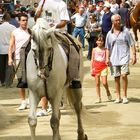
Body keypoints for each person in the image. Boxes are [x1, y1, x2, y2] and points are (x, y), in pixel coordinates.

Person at [34, 0, 70, 117]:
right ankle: (25, 78)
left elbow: (64, 22)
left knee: (73, 48)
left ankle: (73, 77)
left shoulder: (61, 4)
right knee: (26, 48)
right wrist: (39, 9)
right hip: (42, 34)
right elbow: (36, 18)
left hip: (58, 32)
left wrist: (53, 26)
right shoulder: (42, 2)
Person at [105, 14, 137, 104]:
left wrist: (134, 55)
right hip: (114, 59)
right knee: (116, 78)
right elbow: (107, 48)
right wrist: (107, 58)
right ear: (112, 22)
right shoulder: (109, 34)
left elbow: (132, 44)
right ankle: (118, 96)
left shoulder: (125, 31)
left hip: (124, 57)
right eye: (116, 20)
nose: (118, 22)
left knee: (124, 75)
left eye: (119, 20)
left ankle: (124, 96)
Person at [8, 13, 30, 110]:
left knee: (31, 80)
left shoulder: (31, 31)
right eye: (23, 20)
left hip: (30, 59)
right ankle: (23, 101)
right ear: (19, 21)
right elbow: (11, 46)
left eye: (26, 20)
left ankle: (30, 100)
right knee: (21, 81)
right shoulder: (14, 32)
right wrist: (10, 58)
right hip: (18, 59)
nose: (25, 22)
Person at [90, 34, 112, 103]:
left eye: (101, 41)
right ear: (96, 41)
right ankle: (98, 97)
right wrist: (91, 68)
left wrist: (108, 60)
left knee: (104, 82)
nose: (100, 42)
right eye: (98, 40)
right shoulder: (94, 49)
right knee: (97, 83)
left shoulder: (106, 49)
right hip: (96, 67)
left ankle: (107, 91)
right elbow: (92, 59)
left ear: (104, 42)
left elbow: (107, 58)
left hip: (103, 67)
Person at [0, 12, 16, 87]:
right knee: (9, 66)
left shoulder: (0, 27)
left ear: (3, 19)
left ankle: (2, 81)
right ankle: (8, 83)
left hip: (1, 49)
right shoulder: (13, 27)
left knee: (1, 66)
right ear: (9, 19)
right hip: (10, 49)